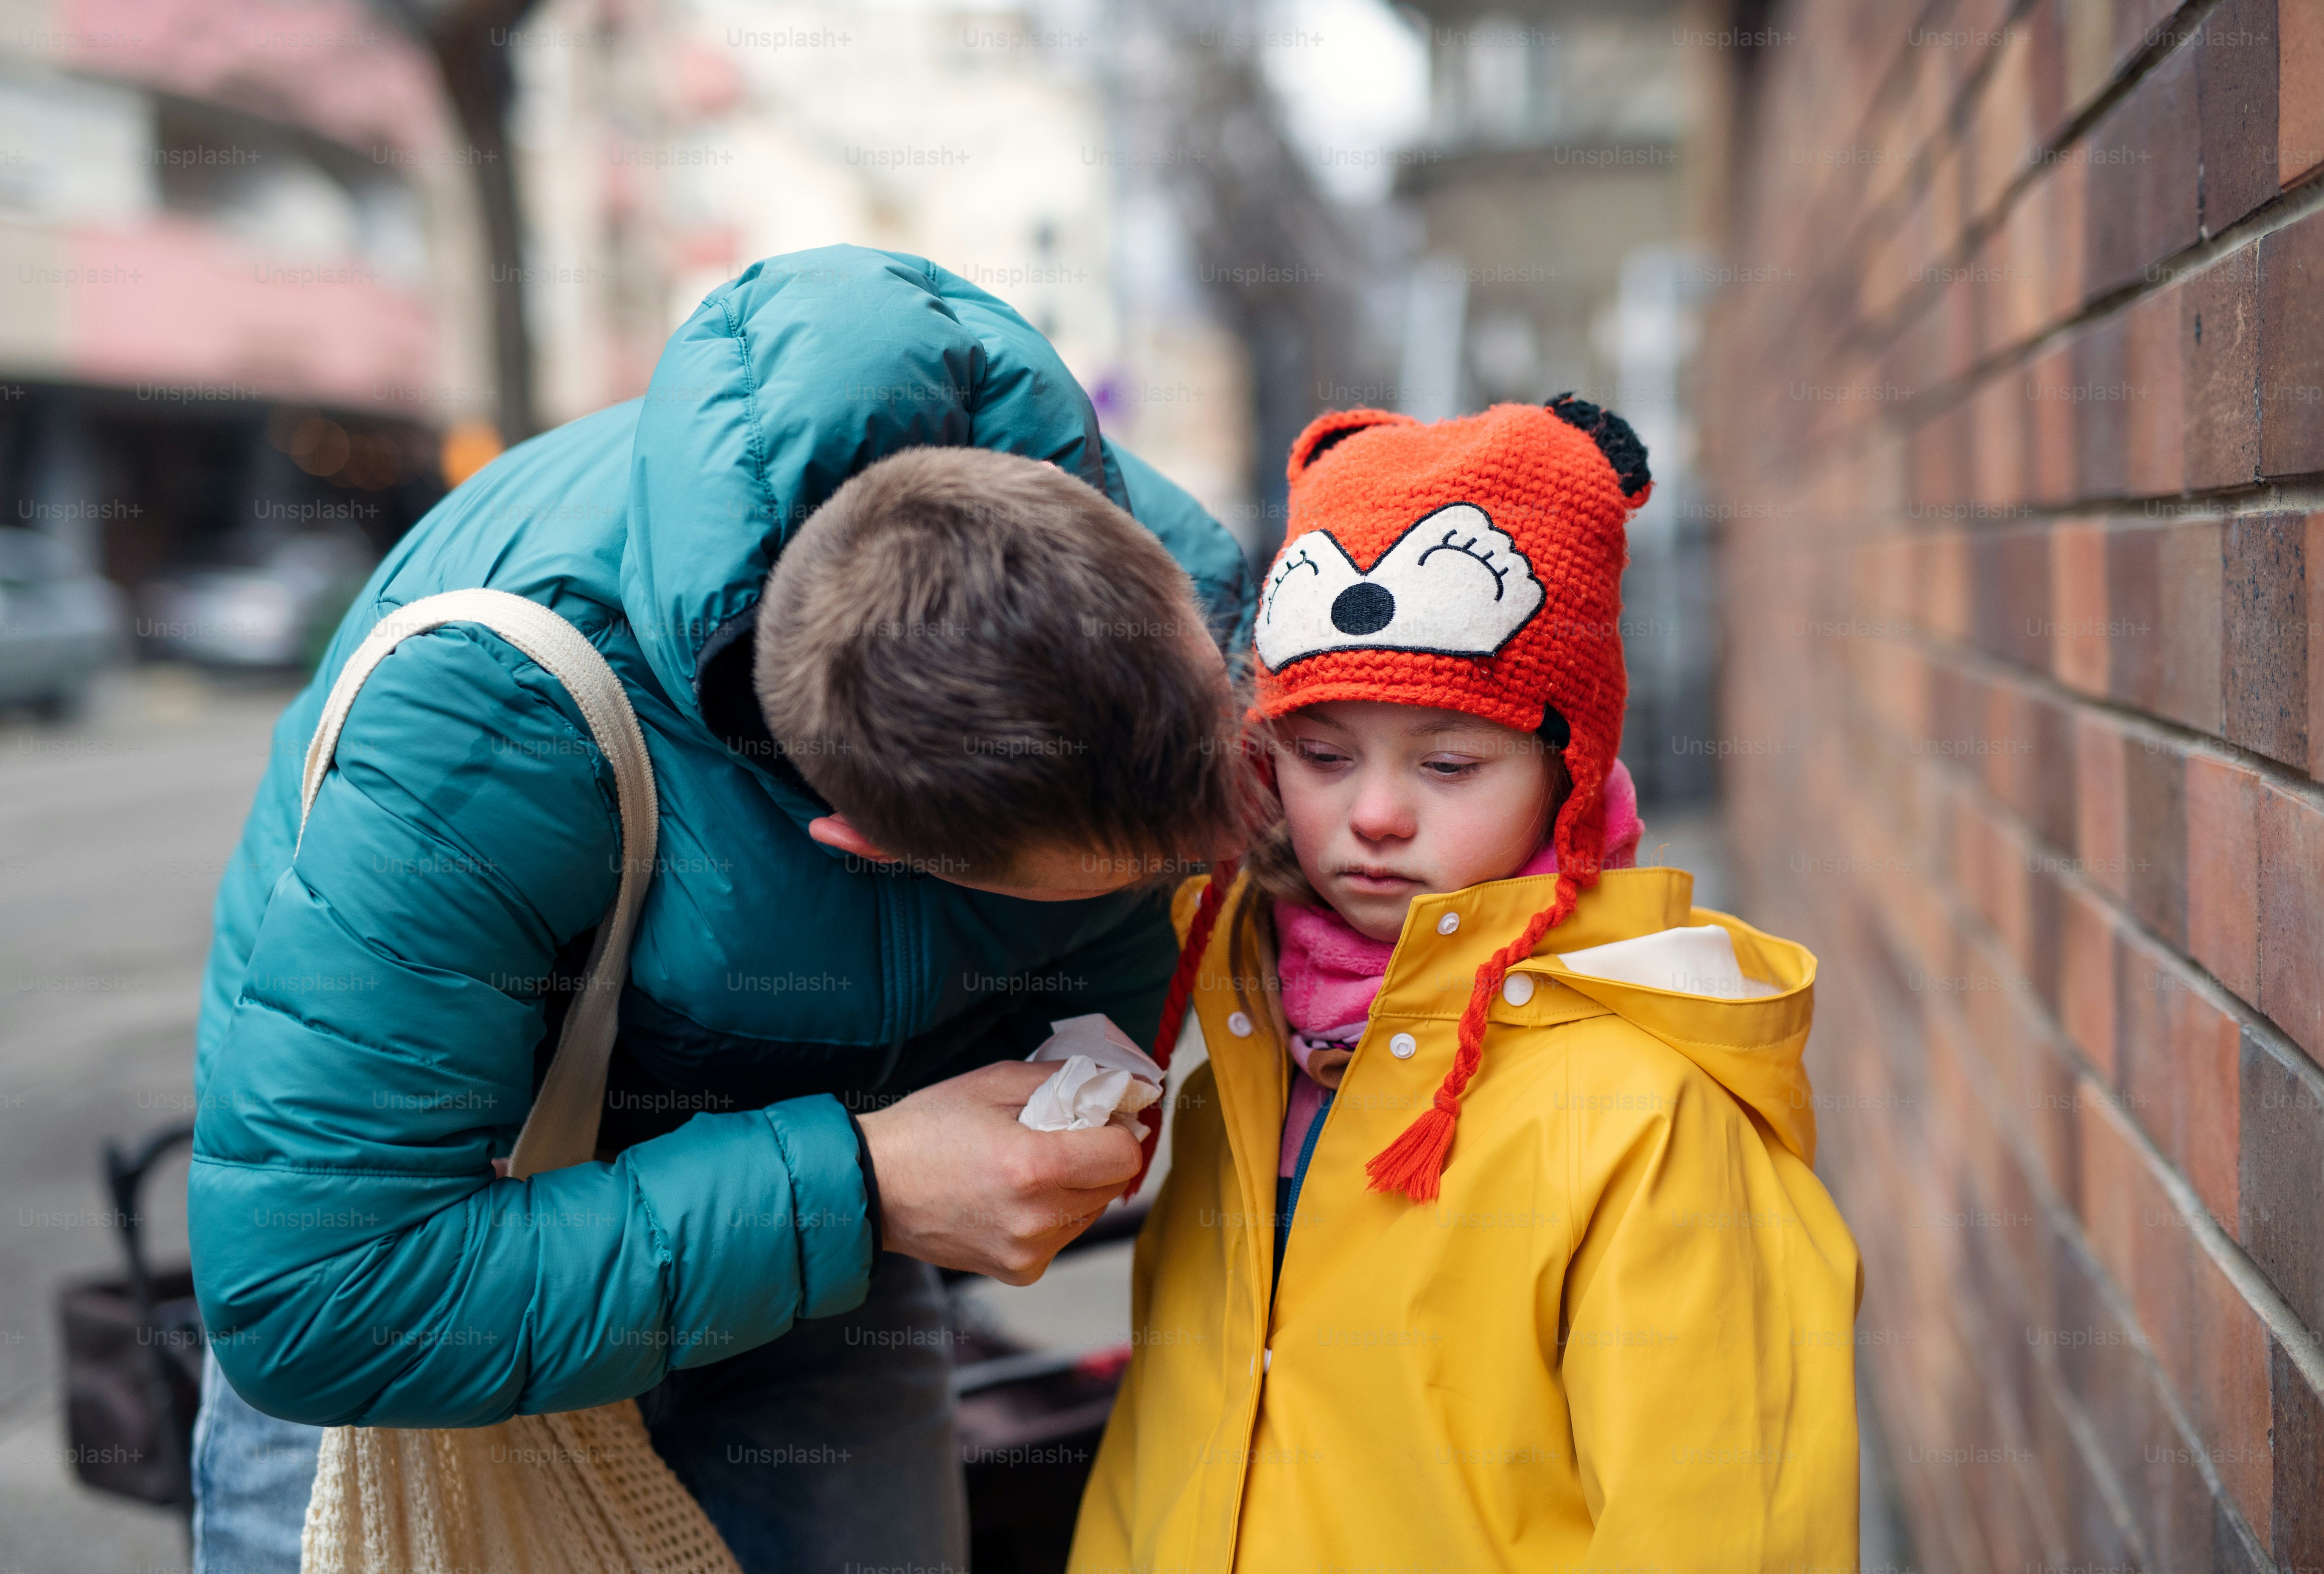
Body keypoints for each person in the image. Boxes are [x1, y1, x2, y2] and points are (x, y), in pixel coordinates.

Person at [185, 246, 1253, 1574]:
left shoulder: (1169, 589)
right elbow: (313, 1302)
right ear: (862, 841)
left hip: (815, 1264)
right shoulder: (483, 716)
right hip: (448, 1251)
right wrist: (870, 1186)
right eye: (1121, 870)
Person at [1070, 399, 1863, 1573]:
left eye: (1449, 762)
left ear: (1568, 771)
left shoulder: (1651, 1122)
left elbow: (1722, 1534)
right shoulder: (1246, 1052)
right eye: (1323, 754)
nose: (1377, 815)